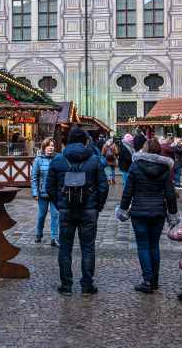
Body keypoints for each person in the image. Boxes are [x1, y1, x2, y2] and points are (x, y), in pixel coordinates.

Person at [47, 125, 109, 295]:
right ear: (84, 141)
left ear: (68, 140)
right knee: (88, 248)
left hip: (66, 210)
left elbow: (49, 187)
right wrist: (98, 207)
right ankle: (87, 286)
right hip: (89, 210)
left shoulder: (58, 160)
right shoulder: (94, 160)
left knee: (65, 248)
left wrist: (59, 204)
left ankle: (66, 286)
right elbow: (103, 187)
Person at [116, 137, 179, 294]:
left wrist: (123, 210)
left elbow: (128, 191)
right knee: (154, 245)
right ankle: (155, 280)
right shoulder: (164, 168)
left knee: (143, 246)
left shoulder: (136, 166)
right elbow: (170, 194)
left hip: (139, 211)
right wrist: (173, 214)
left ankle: (147, 280)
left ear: (144, 149)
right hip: (158, 211)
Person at [31, 138, 60, 246]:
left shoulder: (58, 158)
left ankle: (54, 238)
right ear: (44, 147)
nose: (51, 147)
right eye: (48, 146)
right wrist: (35, 192)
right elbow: (34, 177)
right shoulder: (38, 159)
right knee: (41, 215)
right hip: (42, 193)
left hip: (55, 193)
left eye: (52, 145)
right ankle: (39, 234)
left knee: (55, 215)